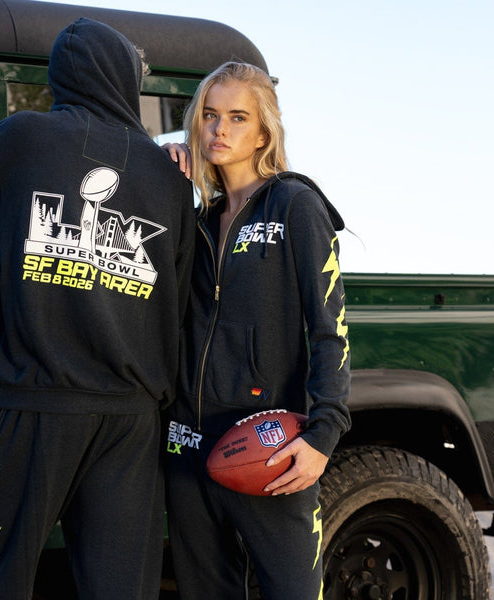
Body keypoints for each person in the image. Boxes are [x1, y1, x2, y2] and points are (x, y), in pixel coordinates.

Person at [0, 18, 195, 600]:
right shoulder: (172, 176)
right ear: (123, 80)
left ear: (63, 78)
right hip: (133, 420)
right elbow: (178, 302)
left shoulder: (24, 139)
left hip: (39, 410)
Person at [162, 61, 351, 599]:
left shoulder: (296, 205)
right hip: (188, 448)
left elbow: (330, 330)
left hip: (265, 447)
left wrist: (323, 436)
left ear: (264, 133)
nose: (219, 129)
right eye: (210, 115)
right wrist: (163, 173)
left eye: (237, 117)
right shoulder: (197, 218)